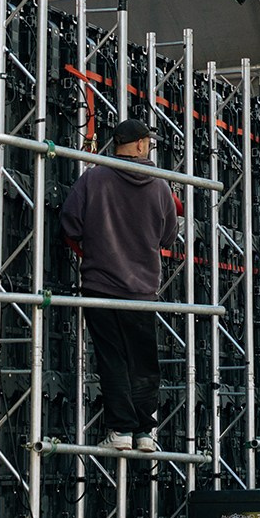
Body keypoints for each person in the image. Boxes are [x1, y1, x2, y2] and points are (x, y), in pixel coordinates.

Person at [59, 117, 180, 453]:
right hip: (142, 289)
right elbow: (169, 236)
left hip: (100, 284)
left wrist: (95, 247)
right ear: (140, 144)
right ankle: (145, 431)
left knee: (112, 358)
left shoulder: (93, 178)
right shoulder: (160, 185)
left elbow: (69, 223)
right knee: (143, 361)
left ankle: (121, 431)